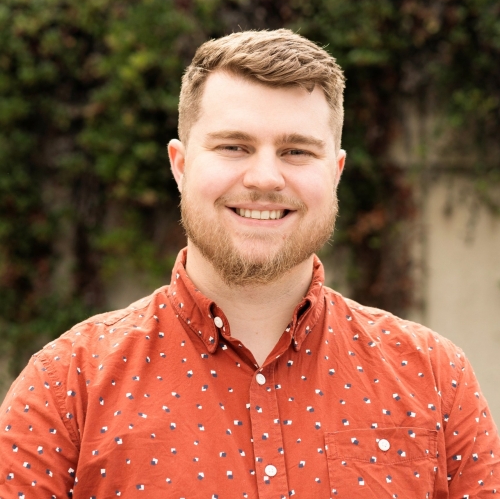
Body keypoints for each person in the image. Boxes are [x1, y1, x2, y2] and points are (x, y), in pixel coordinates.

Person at [0, 29, 498, 499]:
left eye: (296, 151)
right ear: (180, 165)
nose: (265, 177)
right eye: (233, 146)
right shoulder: (66, 386)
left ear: (336, 172)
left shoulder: (435, 378)